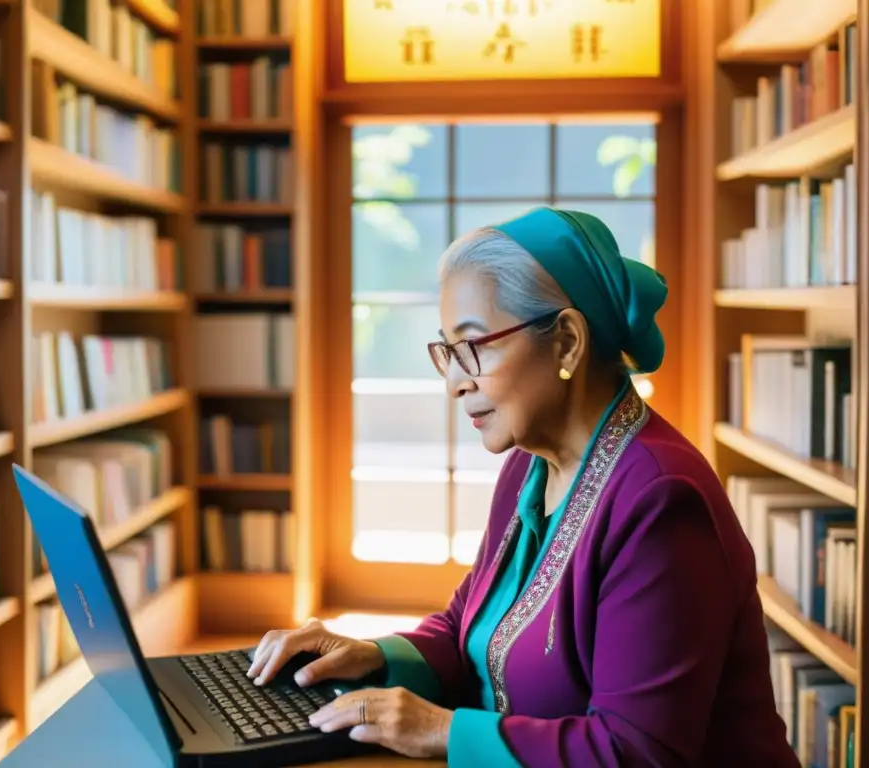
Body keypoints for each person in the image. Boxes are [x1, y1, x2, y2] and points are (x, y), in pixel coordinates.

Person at [247, 207, 799, 766]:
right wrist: (370, 656)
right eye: (447, 352)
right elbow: (469, 628)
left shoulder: (660, 501)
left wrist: (443, 730)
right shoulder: (529, 464)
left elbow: (636, 752)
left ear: (565, 342)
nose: (456, 384)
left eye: (474, 347)